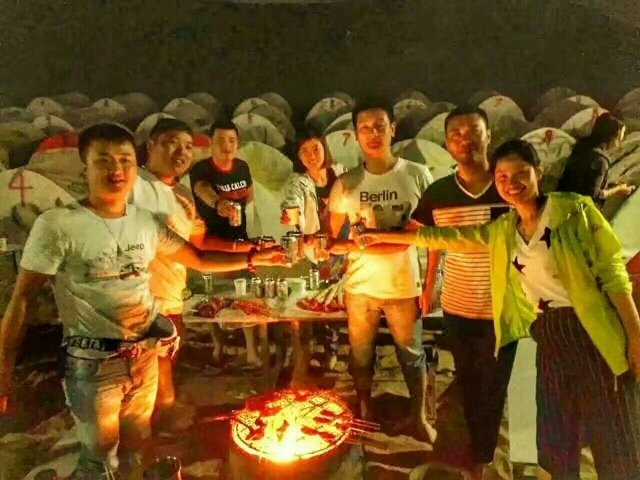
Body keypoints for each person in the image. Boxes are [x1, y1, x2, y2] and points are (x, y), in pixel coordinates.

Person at [0, 124, 286, 479]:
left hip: (145, 353)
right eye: (104, 160)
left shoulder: (146, 221)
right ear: (84, 167)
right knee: (101, 461)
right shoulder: (58, 225)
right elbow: (22, 299)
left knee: (139, 448)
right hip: (95, 361)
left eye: (125, 161)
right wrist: (4, 369)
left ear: (134, 166)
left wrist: (255, 256)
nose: (116, 169)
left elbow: (197, 257)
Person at [359, 139, 640, 480]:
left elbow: (613, 274)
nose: (511, 183)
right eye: (503, 177)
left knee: (614, 441)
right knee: (555, 444)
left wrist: (635, 335)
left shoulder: (573, 210)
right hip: (546, 337)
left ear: (539, 172)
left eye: (521, 173)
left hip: (590, 333)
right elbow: (447, 237)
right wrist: (382, 237)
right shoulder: (506, 229)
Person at [131, 118, 263, 428]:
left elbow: (200, 245)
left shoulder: (181, 195)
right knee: (148, 382)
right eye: (171, 143)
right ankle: (157, 434)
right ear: (150, 146)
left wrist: (250, 248)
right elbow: (199, 259)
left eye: (188, 146)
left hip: (171, 297)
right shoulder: (134, 185)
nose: (181, 152)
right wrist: (250, 257)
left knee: (164, 368)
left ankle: (161, 426)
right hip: (141, 302)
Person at [411, 105, 516, 477]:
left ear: (489, 135)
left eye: (473, 131)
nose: (464, 139)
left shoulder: (509, 186)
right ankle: (474, 448)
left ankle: (483, 457)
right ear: (446, 143)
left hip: (502, 310)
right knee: (468, 380)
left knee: (494, 386)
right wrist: (428, 285)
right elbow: (429, 240)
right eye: (455, 134)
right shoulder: (439, 192)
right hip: (457, 306)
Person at [328, 98, 436, 443]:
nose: (373, 134)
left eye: (379, 126)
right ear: (356, 135)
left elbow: (429, 236)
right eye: (365, 128)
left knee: (412, 355)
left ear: (393, 129)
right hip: (360, 287)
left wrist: (429, 284)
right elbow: (335, 239)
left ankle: (418, 417)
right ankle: (365, 409)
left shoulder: (417, 175)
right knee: (361, 355)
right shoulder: (345, 183)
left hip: (404, 285)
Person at [189, 121, 261, 367]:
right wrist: (219, 204)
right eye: (220, 140)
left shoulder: (242, 167)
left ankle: (251, 352)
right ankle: (218, 346)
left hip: (240, 240)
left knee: (245, 295)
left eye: (232, 140)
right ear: (211, 142)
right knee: (212, 296)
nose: (226, 145)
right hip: (212, 243)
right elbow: (202, 189)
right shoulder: (201, 169)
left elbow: (249, 194)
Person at [280, 133, 345, 370]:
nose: (311, 155)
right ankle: (331, 347)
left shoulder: (339, 172)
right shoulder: (298, 181)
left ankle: (345, 343)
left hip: (345, 241)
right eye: (304, 151)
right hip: (319, 248)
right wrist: (292, 215)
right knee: (326, 296)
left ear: (325, 148)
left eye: (315, 148)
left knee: (346, 295)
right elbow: (292, 201)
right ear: (298, 156)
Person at [557, 112, 634, 206]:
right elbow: (594, 195)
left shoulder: (581, 146)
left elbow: (581, 183)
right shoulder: (601, 160)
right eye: (622, 134)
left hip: (558, 202)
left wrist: (610, 186)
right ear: (614, 136)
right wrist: (618, 189)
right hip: (573, 210)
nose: (622, 139)